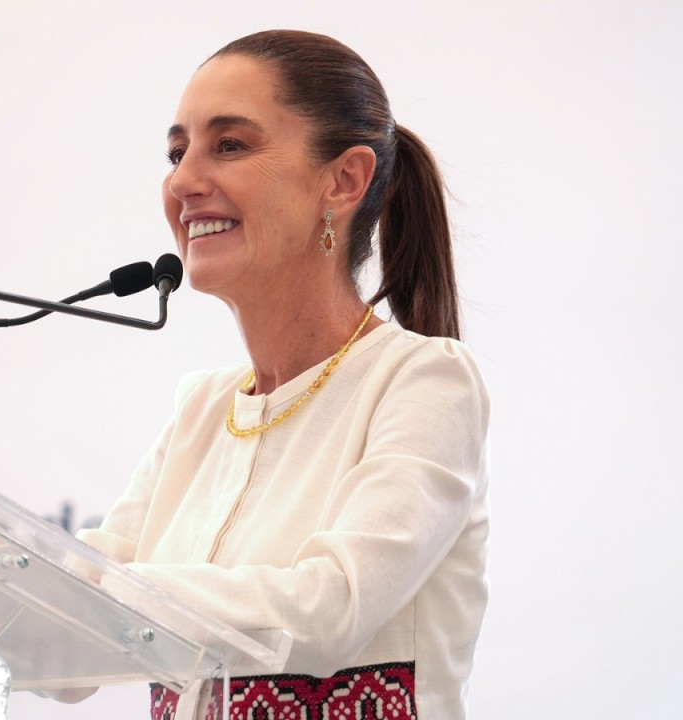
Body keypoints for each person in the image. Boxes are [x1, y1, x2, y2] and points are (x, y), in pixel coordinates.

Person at [76, 30, 490, 720]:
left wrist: (106, 593)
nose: (182, 181)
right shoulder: (202, 408)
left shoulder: (424, 383)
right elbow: (70, 653)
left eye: (229, 145)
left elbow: (329, 610)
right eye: (177, 152)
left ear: (344, 180)